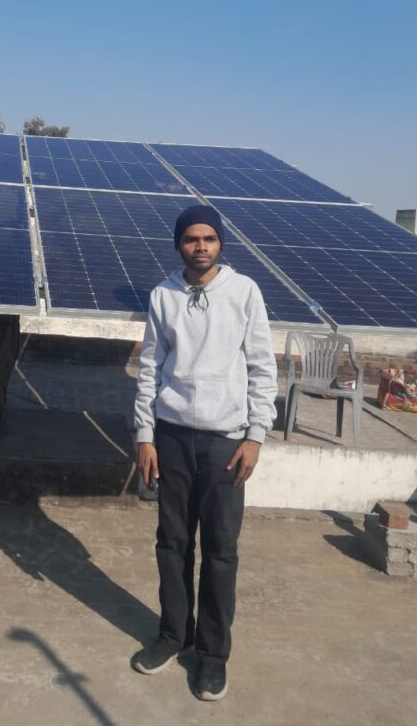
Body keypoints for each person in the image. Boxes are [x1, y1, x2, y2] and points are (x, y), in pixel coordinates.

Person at [131, 204, 278, 701]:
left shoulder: (244, 292)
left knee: (220, 551)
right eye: (191, 238)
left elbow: (262, 367)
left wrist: (256, 435)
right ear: (178, 244)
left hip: (225, 443)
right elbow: (150, 368)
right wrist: (144, 435)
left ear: (220, 244)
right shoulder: (163, 295)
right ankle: (174, 636)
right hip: (171, 437)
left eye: (209, 238)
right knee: (172, 545)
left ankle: (213, 657)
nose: (200, 246)